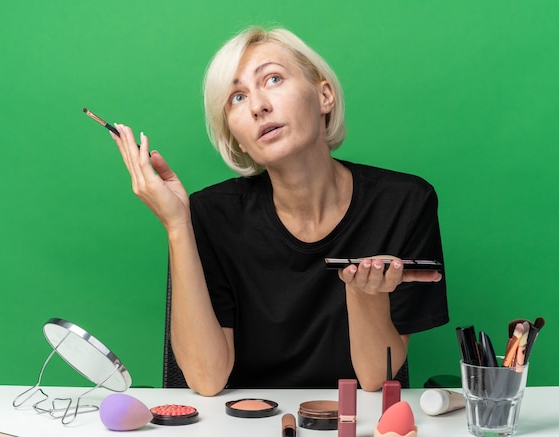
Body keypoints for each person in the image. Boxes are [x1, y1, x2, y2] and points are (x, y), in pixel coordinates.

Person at [111, 26, 448, 396]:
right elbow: (206, 381)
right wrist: (177, 224)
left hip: (351, 420)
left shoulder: (404, 203)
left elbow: (373, 379)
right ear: (234, 136)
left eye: (273, 78)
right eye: (237, 97)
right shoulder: (210, 214)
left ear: (324, 96)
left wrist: (366, 292)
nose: (258, 106)